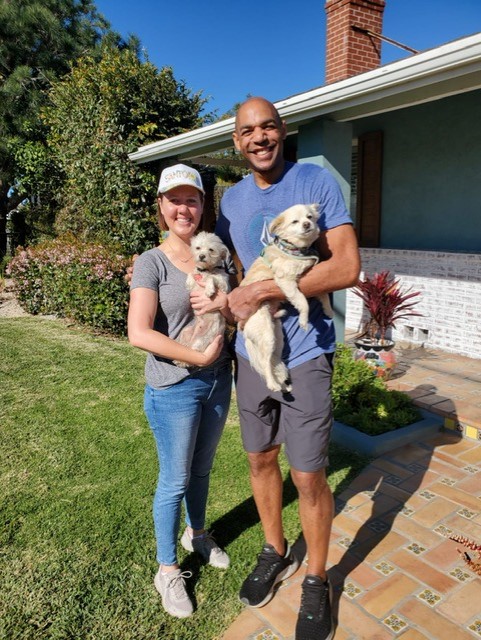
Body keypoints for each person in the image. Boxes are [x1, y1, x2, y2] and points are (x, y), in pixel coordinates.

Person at [193, 97, 360, 640]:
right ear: (237, 142)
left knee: (308, 473)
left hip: (306, 350)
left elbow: (348, 266)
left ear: (283, 131)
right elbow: (229, 263)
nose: (259, 137)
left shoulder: (316, 182)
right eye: (248, 131)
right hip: (252, 352)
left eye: (268, 127)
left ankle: (317, 579)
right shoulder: (234, 201)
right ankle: (274, 548)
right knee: (261, 457)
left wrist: (264, 289)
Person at [127, 164, 235, 619]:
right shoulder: (151, 262)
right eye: (174, 199)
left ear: (202, 205)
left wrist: (227, 311)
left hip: (218, 382)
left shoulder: (219, 255)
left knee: (203, 470)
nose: (183, 208)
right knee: (174, 480)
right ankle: (168, 568)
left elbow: (234, 309)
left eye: (192, 199)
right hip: (175, 386)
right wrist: (197, 358)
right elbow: (138, 332)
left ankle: (197, 532)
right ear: (162, 207)